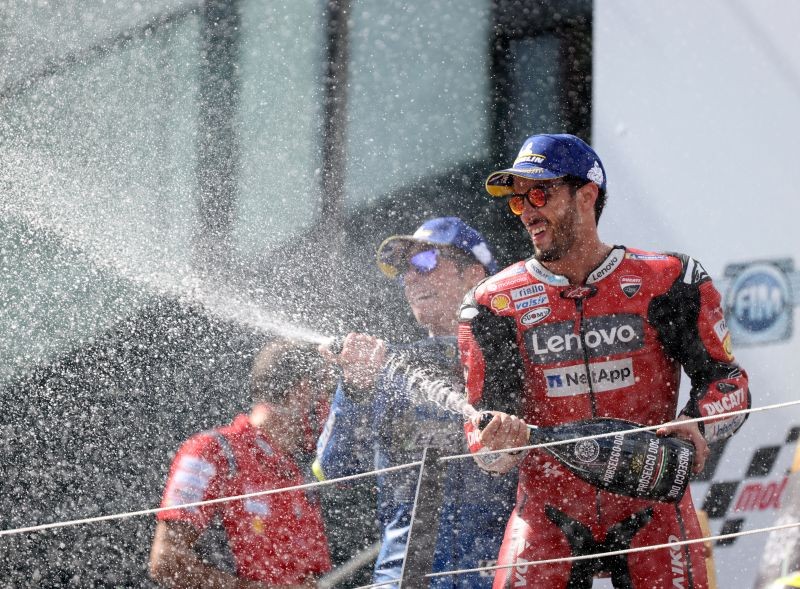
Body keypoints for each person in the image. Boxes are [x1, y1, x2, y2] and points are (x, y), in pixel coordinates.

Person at [459, 134, 752, 589]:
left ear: (587, 195)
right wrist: (499, 443)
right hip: (547, 512)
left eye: (540, 193)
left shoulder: (669, 279)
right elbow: (481, 431)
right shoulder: (493, 303)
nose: (528, 211)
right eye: (519, 201)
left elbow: (729, 383)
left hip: (653, 506)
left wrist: (697, 423)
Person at [315, 217, 517, 588]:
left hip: (499, 575)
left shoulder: (518, 362)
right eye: (404, 270)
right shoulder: (386, 368)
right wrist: (355, 391)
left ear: (474, 275)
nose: (411, 277)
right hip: (403, 579)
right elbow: (332, 472)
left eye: (425, 261)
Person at [149, 340, 332, 588]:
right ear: (300, 393)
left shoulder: (299, 473)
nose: (331, 409)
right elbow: (167, 562)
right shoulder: (212, 451)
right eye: (326, 396)